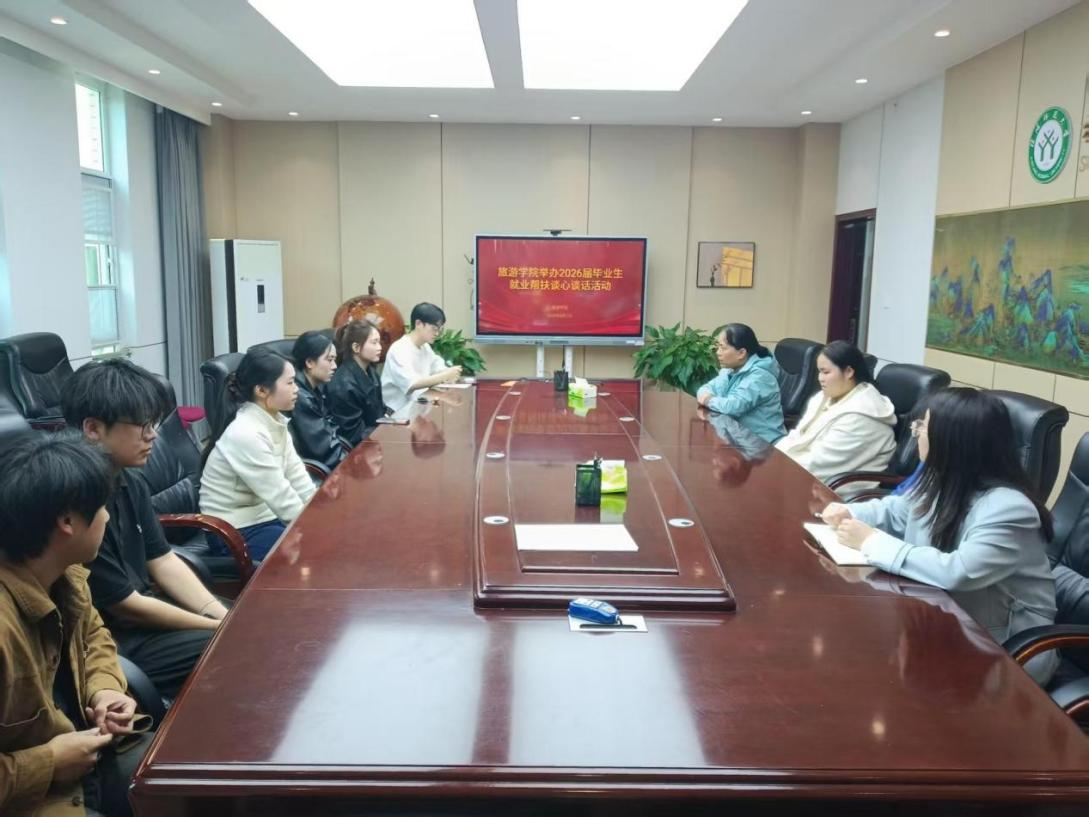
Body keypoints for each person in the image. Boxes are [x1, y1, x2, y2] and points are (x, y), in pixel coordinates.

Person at [821, 388, 1058, 685]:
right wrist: (851, 512)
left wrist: (869, 541)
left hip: (1007, 650)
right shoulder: (942, 479)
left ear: (953, 440)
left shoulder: (1009, 508)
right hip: (947, 620)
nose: (915, 432)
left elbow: (958, 572)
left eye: (923, 426)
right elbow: (898, 511)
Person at [0, 432, 150, 817]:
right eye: (101, 508)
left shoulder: (65, 575)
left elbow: (94, 636)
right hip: (38, 797)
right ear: (67, 522)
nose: (107, 517)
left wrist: (104, 691)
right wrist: (48, 763)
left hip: (90, 759)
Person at [63, 360, 227, 700]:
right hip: (113, 641)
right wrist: (218, 627)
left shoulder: (130, 480)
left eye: (153, 423)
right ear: (93, 429)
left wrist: (218, 613)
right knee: (235, 646)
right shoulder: (76, 501)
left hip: (146, 612)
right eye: (141, 425)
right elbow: (124, 604)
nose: (153, 435)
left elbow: (162, 559)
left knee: (249, 618)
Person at [200, 348, 316, 562]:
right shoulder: (245, 433)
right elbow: (281, 496)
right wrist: (317, 528)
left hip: (264, 519)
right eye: (290, 383)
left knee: (318, 542)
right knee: (310, 550)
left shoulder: (274, 421)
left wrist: (322, 513)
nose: (296, 389)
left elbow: (297, 476)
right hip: (232, 531)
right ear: (262, 390)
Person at [775, 340, 896, 482]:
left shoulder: (862, 415)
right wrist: (773, 458)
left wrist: (775, 467)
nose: (820, 378)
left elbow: (819, 463)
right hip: (803, 473)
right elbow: (798, 435)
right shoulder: (823, 397)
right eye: (819, 372)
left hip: (834, 489)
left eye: (826, 372)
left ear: (849, 372)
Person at [695, 323, 785, 444]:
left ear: (741, 353)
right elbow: (704, 389)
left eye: (723, 348)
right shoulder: (729, 370)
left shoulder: (760, 377)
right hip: (739, 439)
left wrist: (708, 400)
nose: (718, 352)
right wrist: (708, 397)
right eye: (718, 347)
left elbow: (732, 407)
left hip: (764, 445)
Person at [380, 302, 461, 412]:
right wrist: (445, 376)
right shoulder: (399, 349)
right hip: (396, 412)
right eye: (434, 328)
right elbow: (412, 384)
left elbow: (439, 368)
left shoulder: (425, 347)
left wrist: (451, 373)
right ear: (418, 324)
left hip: (416, 407)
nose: (437, 333)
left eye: (439, 329)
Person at [327, 320, 392, 445]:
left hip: (376, 438)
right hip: (360, 448)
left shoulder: (371, 372)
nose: (379, 347)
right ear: (356, 347)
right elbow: (354, 433)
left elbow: (381, 410)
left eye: (379, 342)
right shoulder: (344, 384)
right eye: (374, 343)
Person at [288, 331, 346, 470]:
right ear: (309, 362)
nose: (335, 366)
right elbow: (322, 448)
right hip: (316, 471)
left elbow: (331, 429)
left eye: (334, 360)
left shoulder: (316, 388)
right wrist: (351, 464)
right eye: (329, 360)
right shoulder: (300, 397)